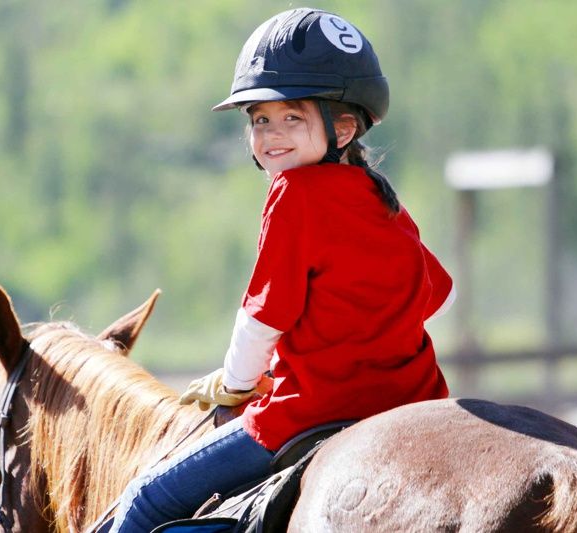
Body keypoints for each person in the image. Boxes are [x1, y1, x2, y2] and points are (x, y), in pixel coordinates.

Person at [108, 7, 455, 532]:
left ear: (343, 127)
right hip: (417, 403)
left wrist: (237, 384)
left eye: (292, 117)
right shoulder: (380, 197)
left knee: (145, 500)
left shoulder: (293, 193)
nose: (271, 134)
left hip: (309, 411)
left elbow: (263, 318)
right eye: (259, 120)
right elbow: (438, 296)